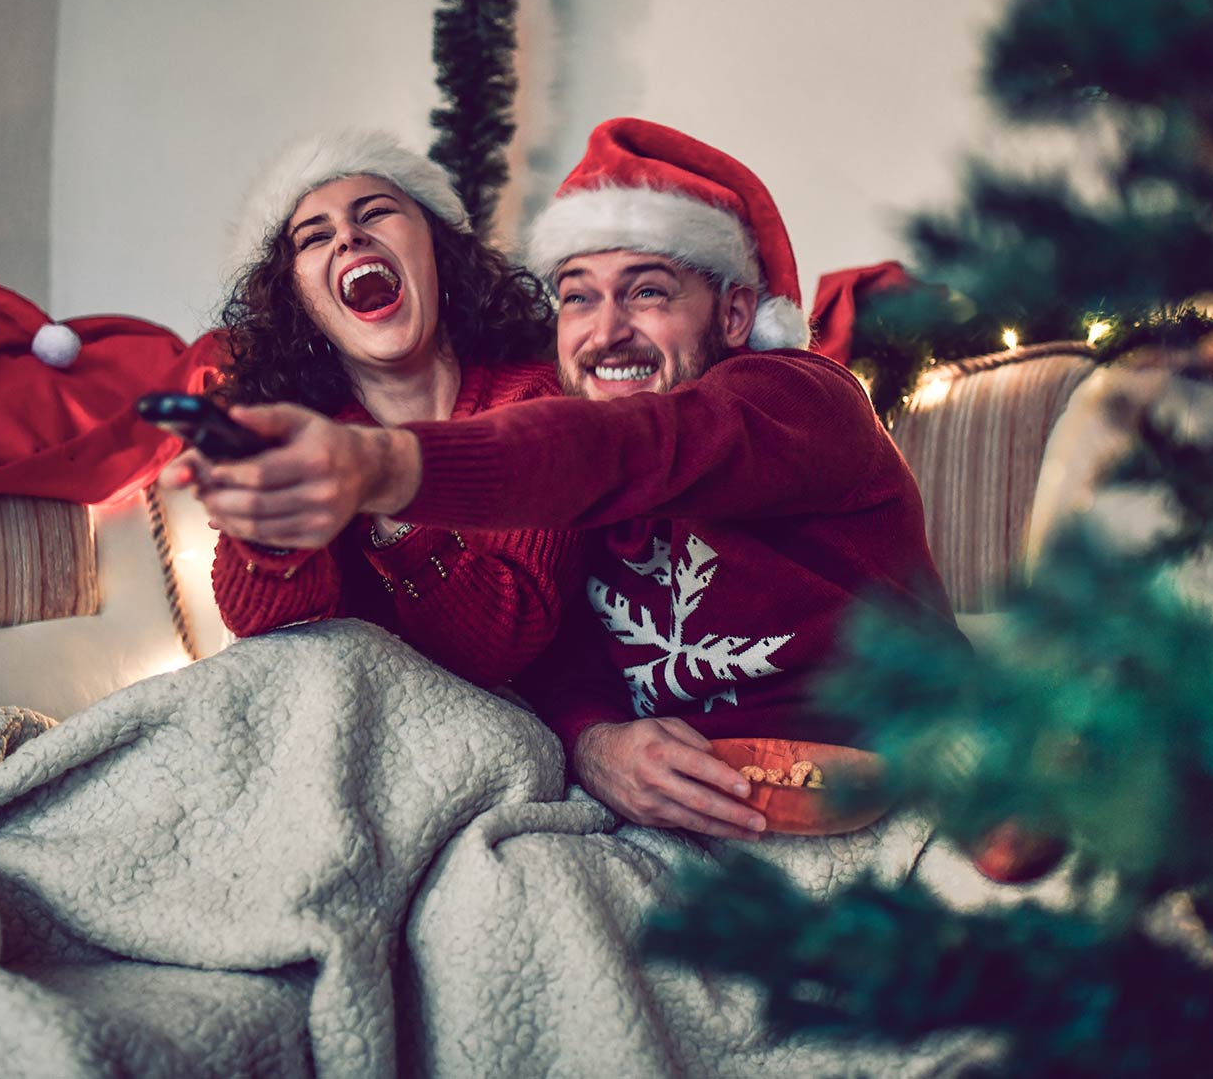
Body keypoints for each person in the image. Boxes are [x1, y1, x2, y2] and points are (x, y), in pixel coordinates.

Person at [190, 118, 952, 842]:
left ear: (734, 314)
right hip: (684, 804)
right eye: (579, 295)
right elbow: (563, 656)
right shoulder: (580, 459)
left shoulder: (795, 398)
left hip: (886, 756)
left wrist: (387, 468)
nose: (606, 329)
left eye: (648, 290)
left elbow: (630, 449)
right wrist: (595, 743)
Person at [166, 130, 580, 689]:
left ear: (436, 248)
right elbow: (264, 632)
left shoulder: (535, 400)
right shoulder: (307, 433)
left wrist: (383, 490)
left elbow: (501, 647)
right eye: (314, 238)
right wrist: (268, 524)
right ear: (299, 301)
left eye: (376, 212)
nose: (348, 238)